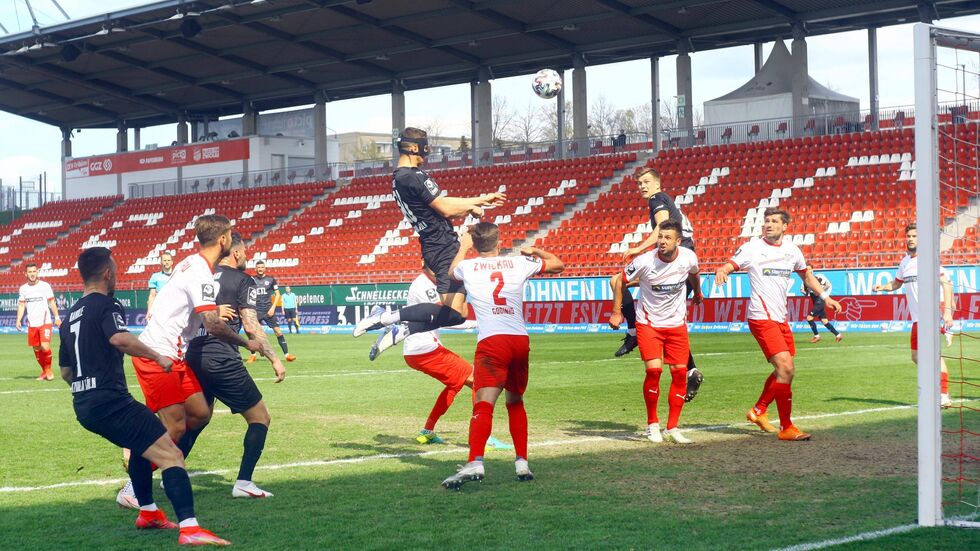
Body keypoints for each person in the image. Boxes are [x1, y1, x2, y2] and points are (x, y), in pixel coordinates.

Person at [59, 247, 231, 546]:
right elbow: (119, 338)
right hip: (111, 401)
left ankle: (149, 513)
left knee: (144, 444)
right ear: (107, 274)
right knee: (171, 455)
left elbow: (65, 372)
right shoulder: (108, 304)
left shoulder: (69, 316)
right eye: (115, 270)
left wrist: (88, 388)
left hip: (84, 405)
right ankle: (190, 529)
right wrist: (157, 356)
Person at [120, 215, 262, 506]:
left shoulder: (191, 263)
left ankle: (145, 457)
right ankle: (132, 488)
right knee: (174, 427)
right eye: (230, 235)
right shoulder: (200, 272)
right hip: (158, 353)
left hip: (175, 353)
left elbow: (185, 304)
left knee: (199, 414)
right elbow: (212, 325)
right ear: (223, 240)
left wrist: (212, 310)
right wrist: (247, 343)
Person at [441, 222, 564, 490]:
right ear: (499, 242)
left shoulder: (468, 266)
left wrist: (463, 247)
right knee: (515, 401)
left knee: (483, 404)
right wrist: (535, 251)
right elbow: (558, 265)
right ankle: (522, 462)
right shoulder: (519, 263)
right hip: (519, 340)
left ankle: (475, 461)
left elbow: (451, 272)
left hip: (492, 341)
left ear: (475, 244)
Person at [353, 127, 506, 340]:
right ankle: (386, 318)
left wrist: (477, 201)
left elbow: (441, 204)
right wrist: (478, 202)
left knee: (458, 313)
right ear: (414, 148)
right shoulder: (413, 176)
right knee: (455, 313)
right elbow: (445, 208)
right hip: (443, 246)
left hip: (434, 244)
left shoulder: (399, 178)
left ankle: (401, 327)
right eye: (425, 149)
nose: (426, 155)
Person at [714, 207, 841, 442]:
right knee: (786, 368)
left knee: (785, 371)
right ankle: (786, 427)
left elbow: (807, 276)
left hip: (780, 318)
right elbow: (732, 263)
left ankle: (758, 411)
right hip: (761, 317)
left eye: (774, 221)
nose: (769, 224)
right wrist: (724, 269)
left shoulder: (792, 251)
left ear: (785, 226)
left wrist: (826, 297)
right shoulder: (752, 247)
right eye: (767, 221)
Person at [186, 232, 286, 498]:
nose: (247, 256)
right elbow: (251, 325)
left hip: (194, 353)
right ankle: (244, 483)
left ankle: (171, 470)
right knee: (260, 417)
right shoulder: (243, 280)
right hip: (221, 356)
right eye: (246, 252)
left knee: (198, 418)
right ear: (237, 252)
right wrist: (274, 358)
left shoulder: (203, 275)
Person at [369, 266, 511, 451]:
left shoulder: (429, 283)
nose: (439, 270)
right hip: (424, 349)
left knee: (455, 384)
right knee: (478, 380)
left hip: (419, 349)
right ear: (424, 263)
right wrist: (478, 323)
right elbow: (446, 319)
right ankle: (482, 438)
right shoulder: (423, 286)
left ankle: (427, 431)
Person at [611, 167, 703, 403]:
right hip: (680, 262)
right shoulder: (666, 200)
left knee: (619, 282)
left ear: (657, 183)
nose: (642, 186)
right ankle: (691, 371)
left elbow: (661, 228)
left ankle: (634, 332)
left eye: (646, 181)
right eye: (639, 183)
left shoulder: (657, 199)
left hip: (675, 263)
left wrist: (638, 249)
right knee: (666, 321)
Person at [609, 220, 702, 444]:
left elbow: (694, 274)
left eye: (667, 238)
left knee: (680, 373)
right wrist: (616, 312)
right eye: (660, 237)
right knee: (654, 371)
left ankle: (672, 428)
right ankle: (652, 425)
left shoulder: (689, 257)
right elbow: (620, 280)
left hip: (677, 325)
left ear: (678, 241)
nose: (662, 241)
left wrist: (698, 293)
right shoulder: (644, 261)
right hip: (649, 324)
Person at [873, 223, 955, 408]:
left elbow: (947, 283)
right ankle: (936, 387)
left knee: (934, 356)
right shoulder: (905, 262)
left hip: (931, 315)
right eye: (908, 236)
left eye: (914, 236)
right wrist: (883, 287)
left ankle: (943, 395)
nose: (910, 239)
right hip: (918, 319)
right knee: (916, 357)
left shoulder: (928, 258)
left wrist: (948, 312)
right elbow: (896, 283)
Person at [16, 263, 61, 381]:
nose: (32, 274)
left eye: (34, 271)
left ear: (37, 272)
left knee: (45, 346)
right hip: (32, 323)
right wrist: (18, 320)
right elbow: (21, 305)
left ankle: (49, 370)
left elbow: (52, 302)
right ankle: (44, 371)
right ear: (26, 274)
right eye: (30, 272)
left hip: (45, 321)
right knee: (36, 348)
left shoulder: (45, 286)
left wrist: (57, 317)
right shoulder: (23, 288)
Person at [247, 260, 295, 362]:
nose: (260, 269)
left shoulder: (271, 280)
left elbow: (277, 294)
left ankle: (287, 355)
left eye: (262, 267)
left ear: (265, 268)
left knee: (278, 331)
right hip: (256, 310)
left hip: (268, 310)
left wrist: (273, 308)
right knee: (251, 332)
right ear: (255, 269)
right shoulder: (251, 280)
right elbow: (248, 294)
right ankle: (253, 355)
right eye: (258, 267)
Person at [804, 273, 843, 344]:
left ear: (812, 270)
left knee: (809, 318)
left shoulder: (816, 278)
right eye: (807, 269)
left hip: (820, 301)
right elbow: (806, 292)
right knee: (824, 321)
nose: (808, 270)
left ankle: (816, 336)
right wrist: (805, 291)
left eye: (810, 269)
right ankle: (838, 335)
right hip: (816, 301)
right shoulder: (806, 280)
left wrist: (818, 291)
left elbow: (827, 285)